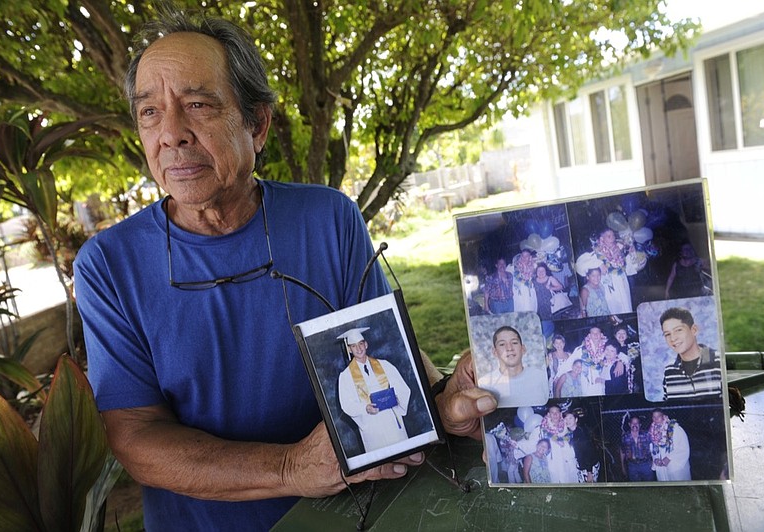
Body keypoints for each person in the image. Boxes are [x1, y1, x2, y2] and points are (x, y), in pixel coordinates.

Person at [73, 7, 496, 530]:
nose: (172, 134)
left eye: (198, 105)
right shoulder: (108, 265)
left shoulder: (328, 218)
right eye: (149, 113)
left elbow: (384, 348)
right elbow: (136, 436)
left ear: (257, 124)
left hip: (352, 512)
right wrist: (293, 467)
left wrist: (446, 396)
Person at [337, 328, 411, 452]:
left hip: (391, 420)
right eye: (354, 346)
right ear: (349, 349)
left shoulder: (384, 365)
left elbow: (403, 389)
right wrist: (365, 408)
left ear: (366, 344)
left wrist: (396, 399)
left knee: (403, 453)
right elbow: (347, 405)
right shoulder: (345, 376)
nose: (359, 349)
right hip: (371, 425)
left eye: (361, 344)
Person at [659, 307, 722, 401]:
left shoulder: (718, 361)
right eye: (667, 334)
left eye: (678, 330)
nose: (673, 339)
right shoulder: (669, 372)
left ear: (694, 330)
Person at [477, 326, 549, 407]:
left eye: (514, 343)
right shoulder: (484, 384)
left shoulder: (541, 377)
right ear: (495, 352)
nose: (509, 348)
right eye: (502, 344)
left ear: (523, 349)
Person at [593, 228, 633, 314]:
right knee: (615, 305)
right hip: (610, 281)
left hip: (622, 278)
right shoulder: (598, 251)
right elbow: (586, 263)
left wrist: (629, 252)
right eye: (608, 236)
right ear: (602, 239)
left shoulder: (619, 247)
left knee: (626, 302)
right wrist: (600, 264)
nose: (612, 238)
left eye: (613, 235)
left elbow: (627, 263)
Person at [650, 409, 691, 481]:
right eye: (654, 417)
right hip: (661, 467)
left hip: (675, 465)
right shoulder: (653, 432)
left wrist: (669, 457)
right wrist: (655, 459)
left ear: (663, 416)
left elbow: (684, 447)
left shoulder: (675, 428)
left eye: (658, 416)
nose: (656, 419)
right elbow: (653, 449)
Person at [564, 410, 600, 483]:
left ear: (576, 419)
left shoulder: (581, 433)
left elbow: (588, 452)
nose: (568, 421)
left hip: (589, 466)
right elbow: (560, 439)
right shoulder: (571, 433)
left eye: (570, 418)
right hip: (581, 465)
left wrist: (589, 472)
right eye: (566, 419)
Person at [620, 415, 654, 481]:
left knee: (649, 486)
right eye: (633, 423)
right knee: (636, 487)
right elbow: (622, 452)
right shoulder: (625, 437)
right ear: (629, 424)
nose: (635, 425)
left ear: (640, 425)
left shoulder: (646, 435)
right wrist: (623, 467)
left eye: (637, 423)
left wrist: (653, 462)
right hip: (632, 466)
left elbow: (653, 449)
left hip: (646, 465)